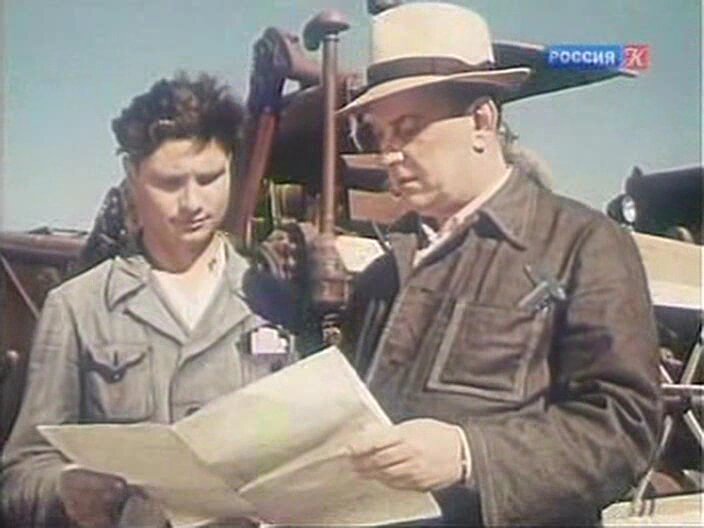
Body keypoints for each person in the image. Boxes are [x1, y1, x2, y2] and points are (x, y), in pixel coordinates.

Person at [339, 3, 662, 526]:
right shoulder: (381, 276)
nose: (390, 154)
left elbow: (624, 429)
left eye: (408, 127)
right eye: (380, 134)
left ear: (481, 121)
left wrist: (470, 455)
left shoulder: (584, 244)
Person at [1, 73, 298, 528]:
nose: (192, 202)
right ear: (131, 176)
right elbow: (20, 475)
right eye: (169, 183)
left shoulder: (276, 303)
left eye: (210, 178)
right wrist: (64, 489)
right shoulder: (79, 308)